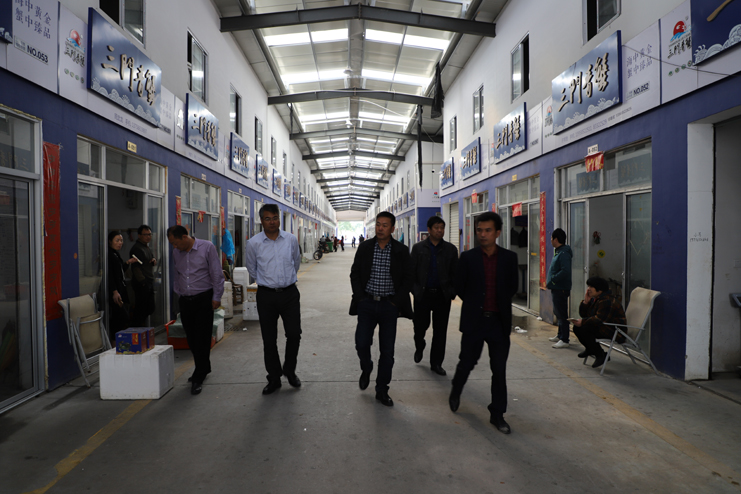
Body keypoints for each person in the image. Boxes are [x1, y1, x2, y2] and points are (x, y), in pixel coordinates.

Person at [449, 212, 518, 434]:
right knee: (466, 363)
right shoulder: (468, 258)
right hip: (475, 322)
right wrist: (475, 303)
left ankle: (497, 414)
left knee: (499, 370)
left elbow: (513, 287)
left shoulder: (509, 258)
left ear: (497, 232)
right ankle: (456, 391)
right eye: (479, 230)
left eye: (488, 230)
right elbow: (459, 286)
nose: (483, 234)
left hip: (498, 322)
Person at [349, 212, 413, 407]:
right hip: (367, 304)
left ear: (392, 228)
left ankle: (382, 389)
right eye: (378, 224)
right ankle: (367, 367)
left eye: (385, 225)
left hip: (388, 306)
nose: (380, 228)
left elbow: (408, 279)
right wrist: (360, 298)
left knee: (387, 351)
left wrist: (395, 302)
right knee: (361, 343)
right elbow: (355, 273)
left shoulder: (401, 250)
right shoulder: (365, 247)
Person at [246, 204, 303, 395]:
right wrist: (267, 282)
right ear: (261, 221)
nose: (272, 222)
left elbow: (296, 262)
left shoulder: (290, 239)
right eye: (268, 219)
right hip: (266, 296)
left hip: (289, 294)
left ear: (279, 219)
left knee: (294, 334)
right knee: (269, 339)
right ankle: (274, 377)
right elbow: (252, 268)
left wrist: (286, 280)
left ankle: (290, 370)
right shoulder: (254, 243)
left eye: (275, 218)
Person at [167, 225, 224, 396]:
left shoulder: (207, 247)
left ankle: (199, 375)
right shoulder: (176, 252)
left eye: (175, 243)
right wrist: (179, 292)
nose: (174, 247)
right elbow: (177, 274)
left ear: (184, 237)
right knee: (191, 338)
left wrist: (217, 297)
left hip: (203, 299)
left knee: (202, 338)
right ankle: (203, 367)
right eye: (172, 244)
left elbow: (216, 274)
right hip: (186, 300)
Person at [410, 216, 458, 375]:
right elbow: (411, 272)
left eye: (442, 228)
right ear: (429, 230)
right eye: (436, 228)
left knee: (440, 331)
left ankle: (436, 363)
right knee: (419, 327)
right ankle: (419, 345)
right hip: (422, 295)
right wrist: (415, 290)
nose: (440, 231)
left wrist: (452, 291)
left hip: (442, 296)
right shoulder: (418, 248)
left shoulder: (450, 249)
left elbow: (455, 273)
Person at [572, 277, 627, 369]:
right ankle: (590, 349)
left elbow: (599, 319)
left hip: (615, 331)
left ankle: (600, 354)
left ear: (600, 289)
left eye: (591, 287)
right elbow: (585, 315)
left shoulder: (607, 300)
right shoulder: (597, 299)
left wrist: (583, 322)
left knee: (585, 329)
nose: (588, 289)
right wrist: (586, 302)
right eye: (588, 286)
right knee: (577, 327)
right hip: (604, 326)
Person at [108, 230, 137, 339]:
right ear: (110, 241)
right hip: (115, 292)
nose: (120, 243)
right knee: (121, 317)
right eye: (117, 240)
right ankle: (114, 343)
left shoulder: (116, 254)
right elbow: (110, 276)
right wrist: (114, 291)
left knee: (122, 317)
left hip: (120, 290)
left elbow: (119, 273)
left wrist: (128, 262)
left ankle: (116, 342)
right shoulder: (109, 255)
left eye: (121, 240)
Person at [546, 228, 572, 348]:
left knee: (562, 313)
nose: (550, 240)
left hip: (560, 288)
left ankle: (564, 339)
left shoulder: (564, 253)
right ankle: (560, 334)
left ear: (556, 239)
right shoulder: (559, 251)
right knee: (558, 312)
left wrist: (553, 279)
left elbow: (565, 271)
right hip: (557, 287)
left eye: (551, 238)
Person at [129, 225, 157, 327]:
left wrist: (153, 260)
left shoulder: (146, 247)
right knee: (141, 309)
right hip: (142, 283)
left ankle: (141, 329)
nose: (148, 237)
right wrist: (143, 282)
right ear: (139, 235)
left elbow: (148, 259)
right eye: (145, 234)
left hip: (148, 281)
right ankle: (135, 330)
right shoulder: (137, 248)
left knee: (149, 308)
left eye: (149, 234)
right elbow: (136, 268)